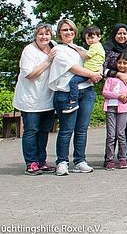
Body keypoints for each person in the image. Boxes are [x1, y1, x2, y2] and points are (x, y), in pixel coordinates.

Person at [48, 19, 101, 175]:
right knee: (66, 129)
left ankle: (80, 160)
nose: (68, 32)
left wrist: (99, 73)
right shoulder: (58, 50)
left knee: (82, 130)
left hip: (87, 92)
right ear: (59, 33)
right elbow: (74, 68)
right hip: (66, 93)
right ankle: (62, 161)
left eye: (71, 29)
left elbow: (96, 60)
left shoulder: (80, 49)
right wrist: (93, 74)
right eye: (65, 30)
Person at [14, 23, 57, 175]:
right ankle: (31, 162)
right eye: (41, 34)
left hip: (48, 98)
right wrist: (48, 61)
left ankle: (41, 161)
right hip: (30, 99)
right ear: (35, 36)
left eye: (47, 34)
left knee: (44, 131)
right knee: (31, 130)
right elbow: (30, 74)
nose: (44, 37)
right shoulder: (29, 50)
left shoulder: (54, 46)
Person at [103, 24, 127, 165]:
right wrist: (118, 74)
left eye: (125, 33)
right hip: (114, 93)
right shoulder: (108, 49)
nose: (122, 36)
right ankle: (108, 158)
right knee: (112, 132)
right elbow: (103, 70)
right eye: (119, 33)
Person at [101, 51, 127, 170]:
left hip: (123, 109)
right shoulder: (110, 79)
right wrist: (117, 95)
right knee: (111, 135)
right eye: (119, 63)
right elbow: (104, 92)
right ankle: (109, 159)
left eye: (125, 63)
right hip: (110, 107)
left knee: (121, 134)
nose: (122, 65)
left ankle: (122, 158)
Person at [62, 26, 104, 114]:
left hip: (89, 71)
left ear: (99, 37)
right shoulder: (97, 46)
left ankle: (73, 101)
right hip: (93, 71)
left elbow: (85, 56)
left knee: (73, 82)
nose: (90, 40)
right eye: (87, 38)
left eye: (92, 37)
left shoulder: (95, 46)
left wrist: (76, 49)